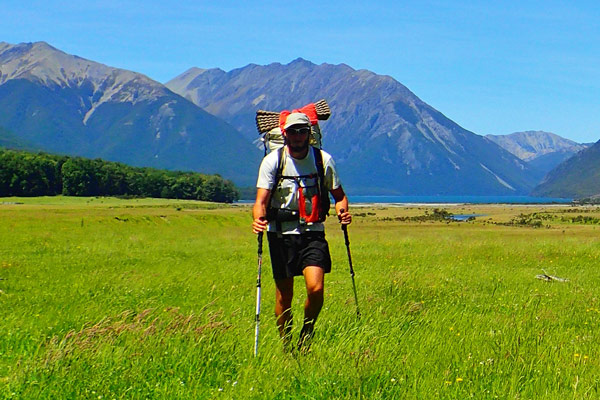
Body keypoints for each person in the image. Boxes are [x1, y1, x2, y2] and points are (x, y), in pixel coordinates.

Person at [252, 112, 352, 352]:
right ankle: (287, 347)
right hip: (280, 234)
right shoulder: (273, 161)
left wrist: (342, 211)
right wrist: (257, 219)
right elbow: (261, 201)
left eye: (302, 131)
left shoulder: (323, 160)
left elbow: (339, 196)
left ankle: (307, 333)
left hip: (313, 233)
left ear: (309, 134)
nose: (297, 136)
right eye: (293, 132)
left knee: (316, 289)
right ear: (285, 134)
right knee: (283, 298)